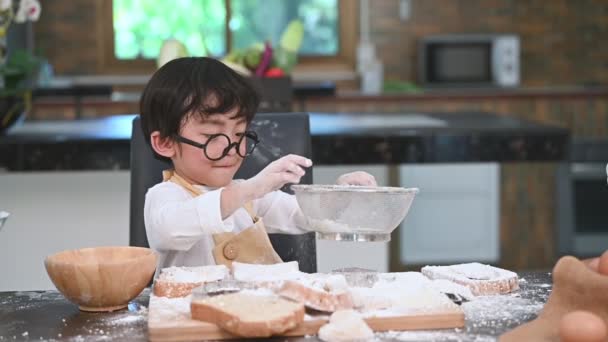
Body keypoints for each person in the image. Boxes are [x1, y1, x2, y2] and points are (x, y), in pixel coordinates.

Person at [140, 57, 377, 270]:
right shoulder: (165, 196)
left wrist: (340, 194)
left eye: (240, 134)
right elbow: (171, 229)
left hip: (258, 311)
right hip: (190, 316)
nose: (231, 148)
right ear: (165, 142)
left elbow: (303, 214)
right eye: (212, 135)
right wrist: (250, 189)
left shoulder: (249, 199)